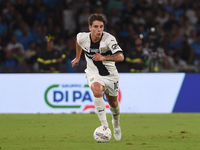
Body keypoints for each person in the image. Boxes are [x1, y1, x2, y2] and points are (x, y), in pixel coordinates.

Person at [71, 14, 124, 141]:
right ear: (90, 27)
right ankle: (105, 127)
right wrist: (78, 57)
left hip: (111, 75)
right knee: (96, 90)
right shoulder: (82, 37)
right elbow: (78, 42)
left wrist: (104, 57)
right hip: (93, 72)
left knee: (113, 103)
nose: (99, 29)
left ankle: (116, 124)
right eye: (96, 27)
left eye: (101, 27)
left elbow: (121, 56)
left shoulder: (109, 39)